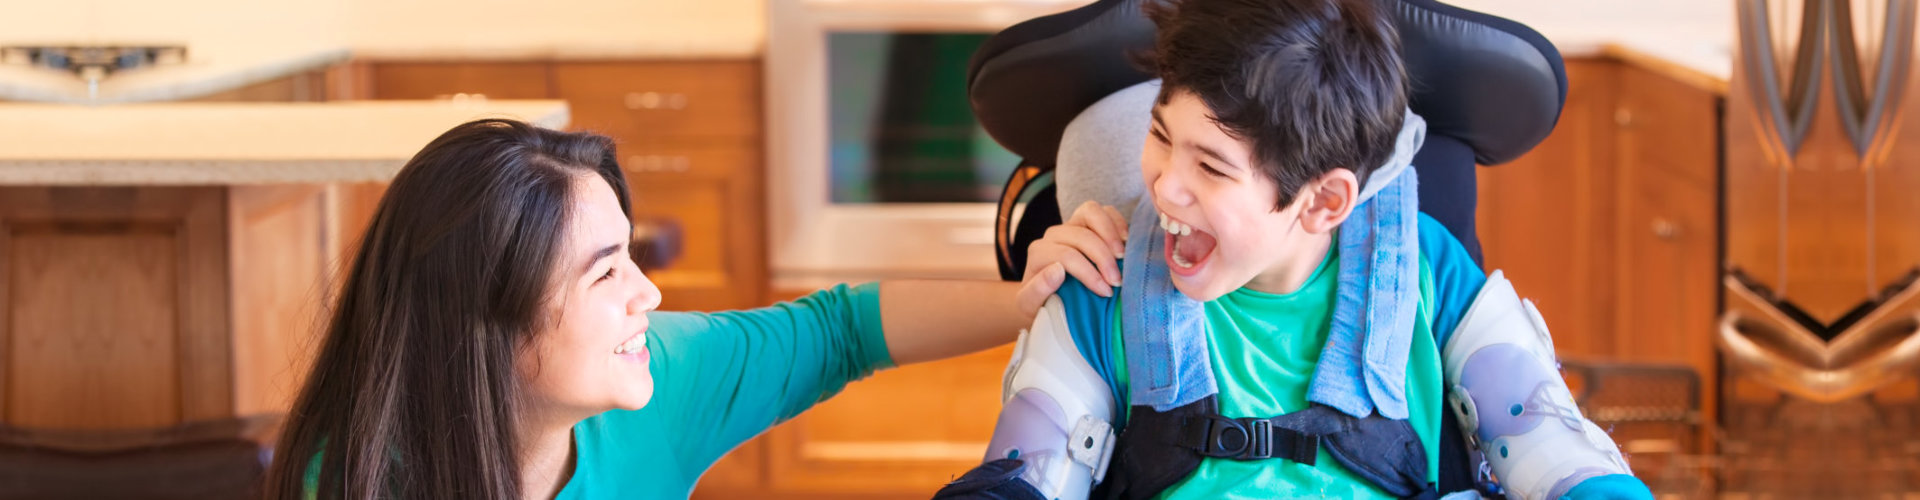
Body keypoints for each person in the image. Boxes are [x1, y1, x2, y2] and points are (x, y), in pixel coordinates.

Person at [939, 0, 1653, 498]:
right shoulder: (1110, 277)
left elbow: (1556, 452)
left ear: (1324, 201)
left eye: (1212, 168)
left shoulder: (1426, 275)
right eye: (1160, 137)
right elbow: (1022, 475)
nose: (1164, 190)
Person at [261, 119, 1083, 499]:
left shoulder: (662, 376)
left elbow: (844, 330)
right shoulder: (355, 479)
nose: (647, 295)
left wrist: (1032, 302)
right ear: (489, 326)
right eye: (604, 273)